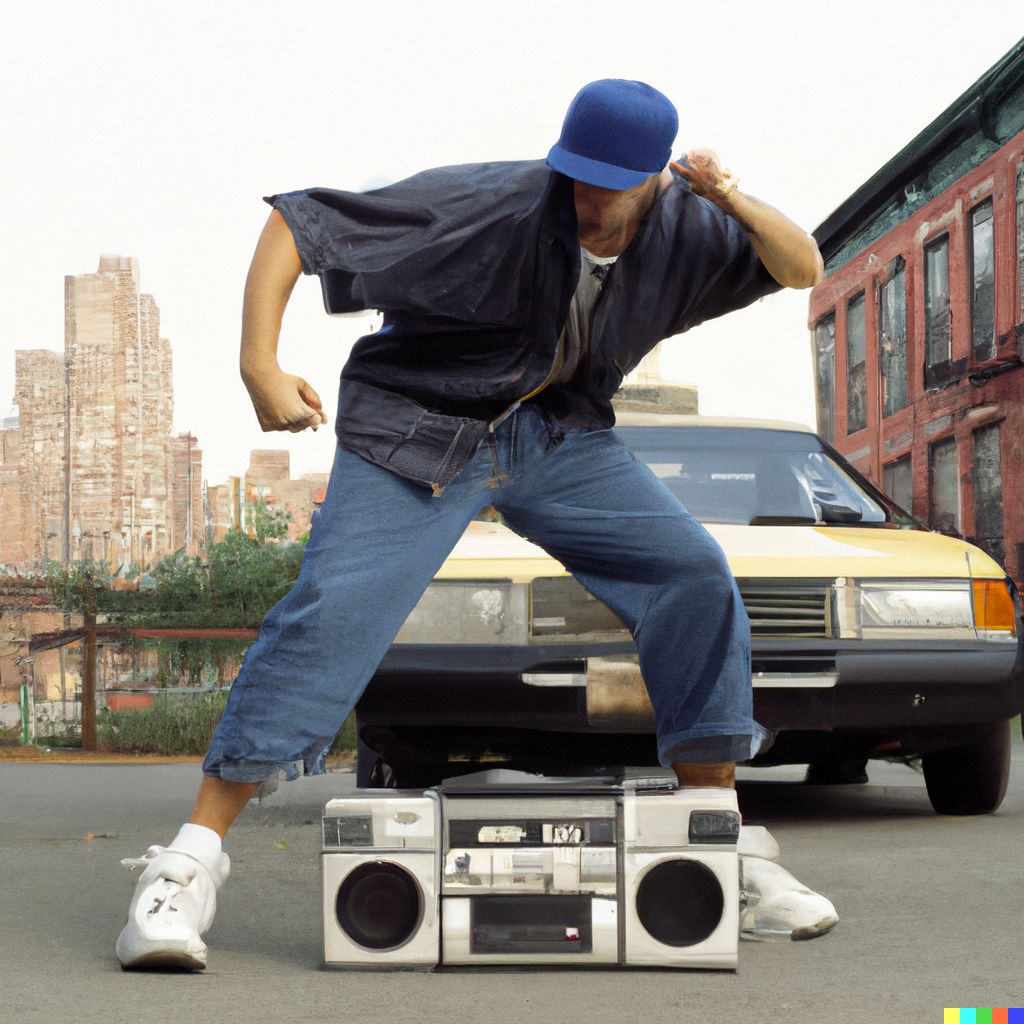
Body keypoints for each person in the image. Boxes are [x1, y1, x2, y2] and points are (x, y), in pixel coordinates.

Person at [116, 79, 833, 970]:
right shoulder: (490, 201)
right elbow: (297, 226)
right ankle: (187, 867)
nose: (589, 200)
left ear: (658, 177)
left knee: (694, 575)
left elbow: (803, 265)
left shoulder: (695, 223)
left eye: (613, 183)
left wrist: (724, 191)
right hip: (416, 430)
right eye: (577, 176)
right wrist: (257, 362)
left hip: (560, 438)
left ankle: (716, 840)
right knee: (333, 608)